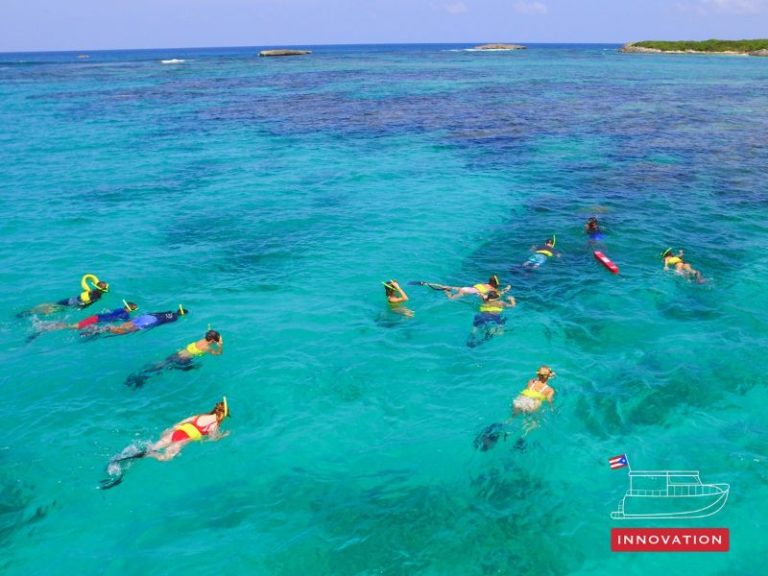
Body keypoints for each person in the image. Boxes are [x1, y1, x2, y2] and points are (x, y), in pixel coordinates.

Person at [99, 398, 230, 489]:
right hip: (183, 439)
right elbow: (212, 438)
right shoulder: (214, 425)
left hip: (176, 432)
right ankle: (149, 455)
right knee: (165, 458)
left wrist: (170, 429)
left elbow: (183, 422)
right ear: (222, 416)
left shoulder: (201, 416)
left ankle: (125, 457)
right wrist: (222, 436)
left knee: (153, 446)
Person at [473, 366, 556, 451]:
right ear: (548, 376)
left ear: (538, 374)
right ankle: (522, 438)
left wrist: (545, 376)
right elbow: (549, 401)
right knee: (533, 422)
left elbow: (538, 380)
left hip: (519, 401)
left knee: (512, 418)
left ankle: (497, 432)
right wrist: (552, 408)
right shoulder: (550, 390)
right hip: (531, 404)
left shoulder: (531, 381)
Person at [125, 329, 224, 387]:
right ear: (211, 340)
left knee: (160, 365)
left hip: (177, 354)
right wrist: (220, 345)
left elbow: (209, 335)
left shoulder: (201, 340)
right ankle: (141, 379)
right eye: (215, 340)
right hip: (183, 360)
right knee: (163, 370)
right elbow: (218, 354)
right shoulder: (206, 347)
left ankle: (139, 375)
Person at [26, 300, 139, 343]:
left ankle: (85, 335)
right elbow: (126, 322)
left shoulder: (120, 309)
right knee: (73, 326)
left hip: (96, 318)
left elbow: (110, 313)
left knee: (88, 329)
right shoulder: (126, 315)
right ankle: (45, 327)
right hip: (95, 320)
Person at [18, 277, 110, 317]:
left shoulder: (92, 291)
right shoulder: (97, 297)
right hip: (73, 304)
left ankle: (30, 312)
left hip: (71, 301)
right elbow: (87, 304)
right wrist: (81, 308)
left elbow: (86, 300)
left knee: (53, 305)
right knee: (54, 308)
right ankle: (31, 312)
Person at [85, 305, 188, 337]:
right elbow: (163, 322)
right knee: (126, 331)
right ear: (182, 314)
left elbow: (156, 312)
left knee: (126, 325)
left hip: (147, 316)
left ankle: (97, 329)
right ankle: (105, 329)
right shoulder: (175, 318)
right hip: (151, 321)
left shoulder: (169, 311)